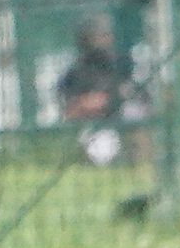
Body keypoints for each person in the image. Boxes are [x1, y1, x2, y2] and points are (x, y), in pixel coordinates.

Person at [52, 13, 134, 166]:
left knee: (133, 113)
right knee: (99, 147)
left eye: (106, 35)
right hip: (91, 127)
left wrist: (109, 99)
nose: (104, 40)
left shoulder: (121, 66)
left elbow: (129, 95)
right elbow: (68, 109)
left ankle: (132, 156)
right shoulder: (76, 73)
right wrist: (84, 104)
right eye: (98, 36)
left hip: (117, 121)